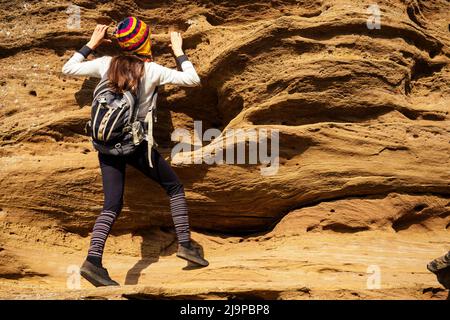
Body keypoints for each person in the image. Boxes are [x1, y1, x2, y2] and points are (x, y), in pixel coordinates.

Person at [62, 17, 208, 287]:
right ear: (145, 42)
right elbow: (192, 79)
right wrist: (178, 51)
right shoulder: (151, 71)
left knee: (111, 205)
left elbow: (68, 68)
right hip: (136, 147)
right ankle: (186, 246)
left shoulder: (106, 64)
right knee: (174, 188)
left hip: (105, 146)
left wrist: (91, 44)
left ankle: (92, 262)